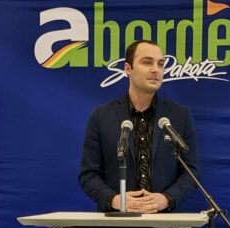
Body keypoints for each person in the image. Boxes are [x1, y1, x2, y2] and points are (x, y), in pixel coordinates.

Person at [79, 40, 199, 213]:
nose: (155, 70)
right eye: (147, 62)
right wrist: (114, 199)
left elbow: (191, 172)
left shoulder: (179, 116)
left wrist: (167, 199)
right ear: (128, 69)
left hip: (164, 223)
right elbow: (88, 174)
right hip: (115, 224)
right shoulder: (101, 116)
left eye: (160, 64)